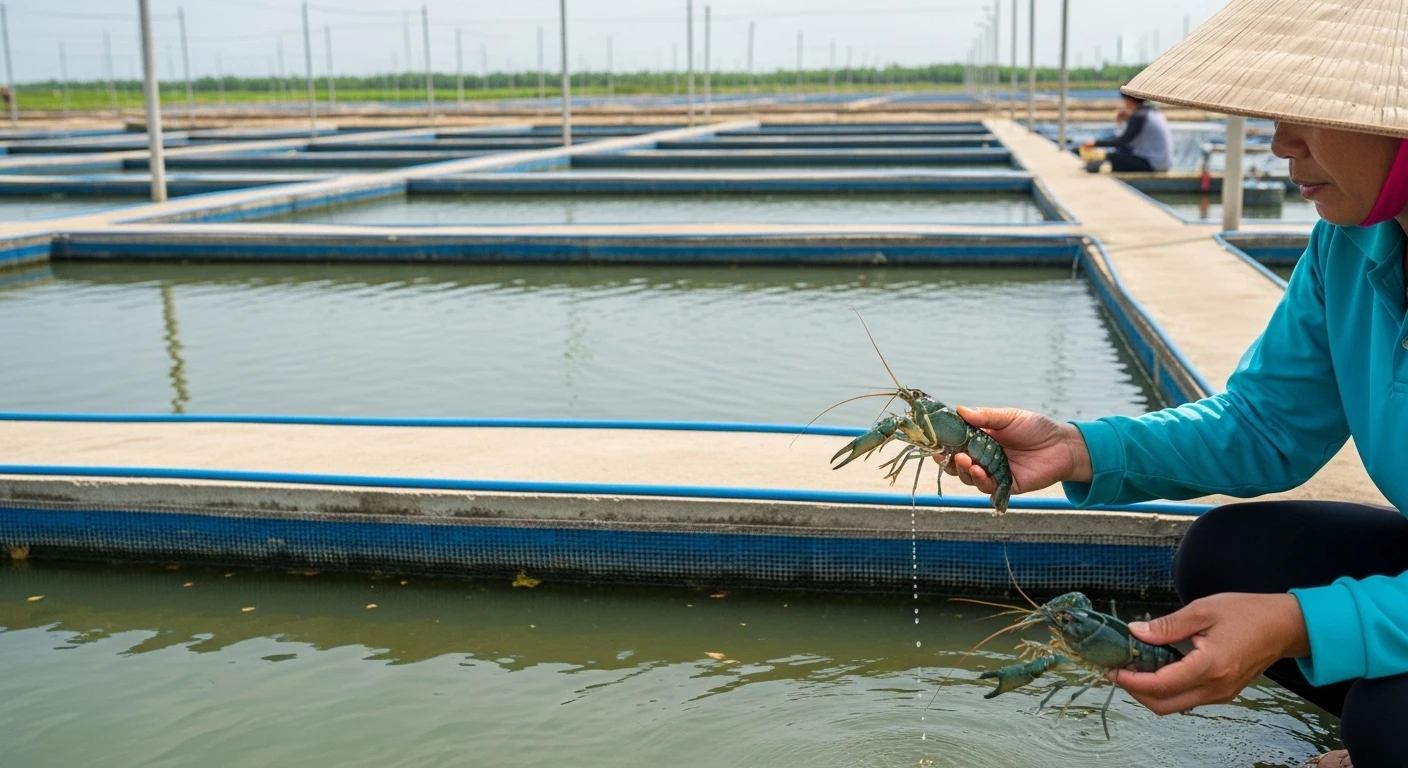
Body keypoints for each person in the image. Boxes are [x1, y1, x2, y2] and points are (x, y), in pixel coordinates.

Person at [943, 1, 1407, 766]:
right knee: (1226, 557)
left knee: (1390, 722)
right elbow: (1265, 426)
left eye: (1317, 112)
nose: (1280, 139)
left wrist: (1298, 624)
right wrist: (1077, 447)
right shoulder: (1347, 247)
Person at [1081, 92, 1173, 172]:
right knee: (1122, 151)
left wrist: (1095, 143)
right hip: (1163, 163)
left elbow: (1122, 141)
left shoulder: (1139, 116)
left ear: (1128, 99)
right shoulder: (1153, 112)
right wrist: (1129, 117)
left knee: (1113, 157)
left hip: (1153, 164)